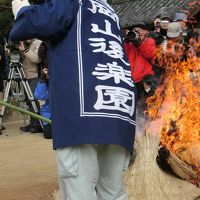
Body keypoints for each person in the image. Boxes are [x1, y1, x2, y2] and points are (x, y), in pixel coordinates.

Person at [10, 0, 136, 199]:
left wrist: (20, 7)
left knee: (79, 192)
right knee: (114, 192)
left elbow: (33, 21)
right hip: (118, 111)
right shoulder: (109, 11)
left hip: (84, 110)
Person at [124, 21, 156, 99]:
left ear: (146, 32)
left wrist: (140, 43)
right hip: (130, 80)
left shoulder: (149, 41)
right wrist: (126, 41)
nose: (137, 32)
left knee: (146, 102)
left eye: (139, 30)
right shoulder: (129, 44)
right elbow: (123, 55)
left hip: (144, 79)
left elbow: (151, 54)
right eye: (135, 30)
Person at [17, 39, 43, 133]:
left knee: (33, 100)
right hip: (26, 75)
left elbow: (37, 59)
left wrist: (25, 50)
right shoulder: (28, 44)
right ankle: (33, 123)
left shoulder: (38, 43)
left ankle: (37, 125)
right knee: (28, 101)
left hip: (34, 75)